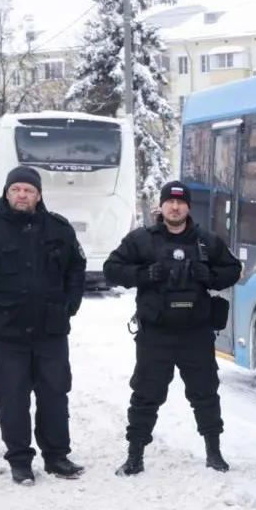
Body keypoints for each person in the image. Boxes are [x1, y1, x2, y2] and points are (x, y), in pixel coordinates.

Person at [0, 166, 88, 485]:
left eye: (29, 190)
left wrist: (70, 305)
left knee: (55, 393)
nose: (22, 195)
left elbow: (76, 267)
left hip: (51, 328)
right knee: (11, 395)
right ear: (6, 192)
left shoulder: (58, 227)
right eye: (16, 189)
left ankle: (57, 455)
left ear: (38, 195)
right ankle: (19, 459)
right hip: (6, 329)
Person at [102, 181, 243, 475]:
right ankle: (135, 456)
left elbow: (233, 270)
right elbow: (111, 269)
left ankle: (214, 452)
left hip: (195, 333)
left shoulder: (206, 240)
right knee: (145, 394)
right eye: (170, 202)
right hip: (156, 334)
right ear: (162, 205)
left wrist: (211, 276)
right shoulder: (142, 240)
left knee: (205, 393)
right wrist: (143, 274)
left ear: (188, 206)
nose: (175, 207)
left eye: (180, 202)